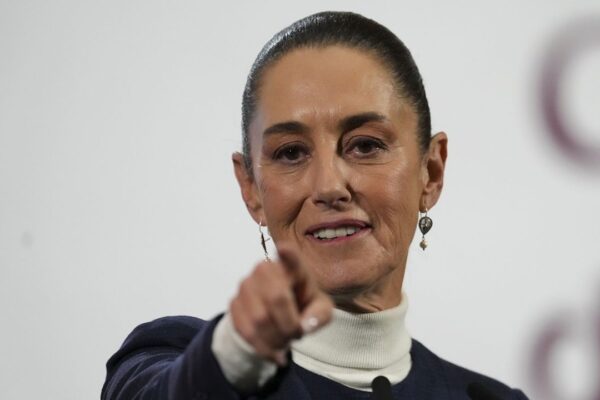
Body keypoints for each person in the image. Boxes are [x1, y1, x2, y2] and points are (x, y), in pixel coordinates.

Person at [101, 11, 529, 400]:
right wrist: (235, 353)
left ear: (431, 173)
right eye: (291, 153)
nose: (328, 186)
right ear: (251, 188)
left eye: (365, 145)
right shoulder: (166, 360)